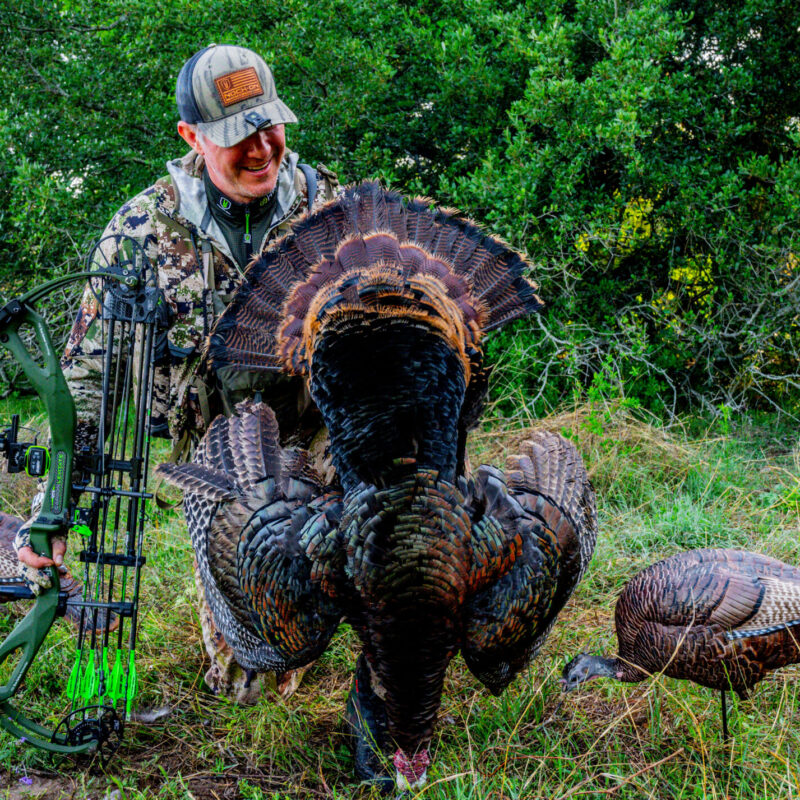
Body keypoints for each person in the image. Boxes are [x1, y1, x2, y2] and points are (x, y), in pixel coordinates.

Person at [15, 44, 339, 703]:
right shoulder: (140, 232)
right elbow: (86, 386)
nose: (259, 149)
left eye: (268, 127)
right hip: (216, 460)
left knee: (309, 616)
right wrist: (53, 514)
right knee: (241, 665)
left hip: (321, 446)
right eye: (234, 136)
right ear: (191, 136)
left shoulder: (331, 210)